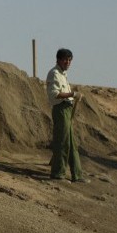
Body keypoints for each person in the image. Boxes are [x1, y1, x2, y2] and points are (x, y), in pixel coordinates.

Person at [46, 48, 87, 183]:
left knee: (71, 144)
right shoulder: (54, 74)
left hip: (67, 109)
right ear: (58, 60)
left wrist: (73, 97)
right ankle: (58, 173)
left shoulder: (63, 74)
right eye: (65, 60)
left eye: (69, 60)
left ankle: (77, 175)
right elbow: (54, 94)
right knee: (62, 142)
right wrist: (72, 94)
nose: (67, 62)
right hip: (60, 109)